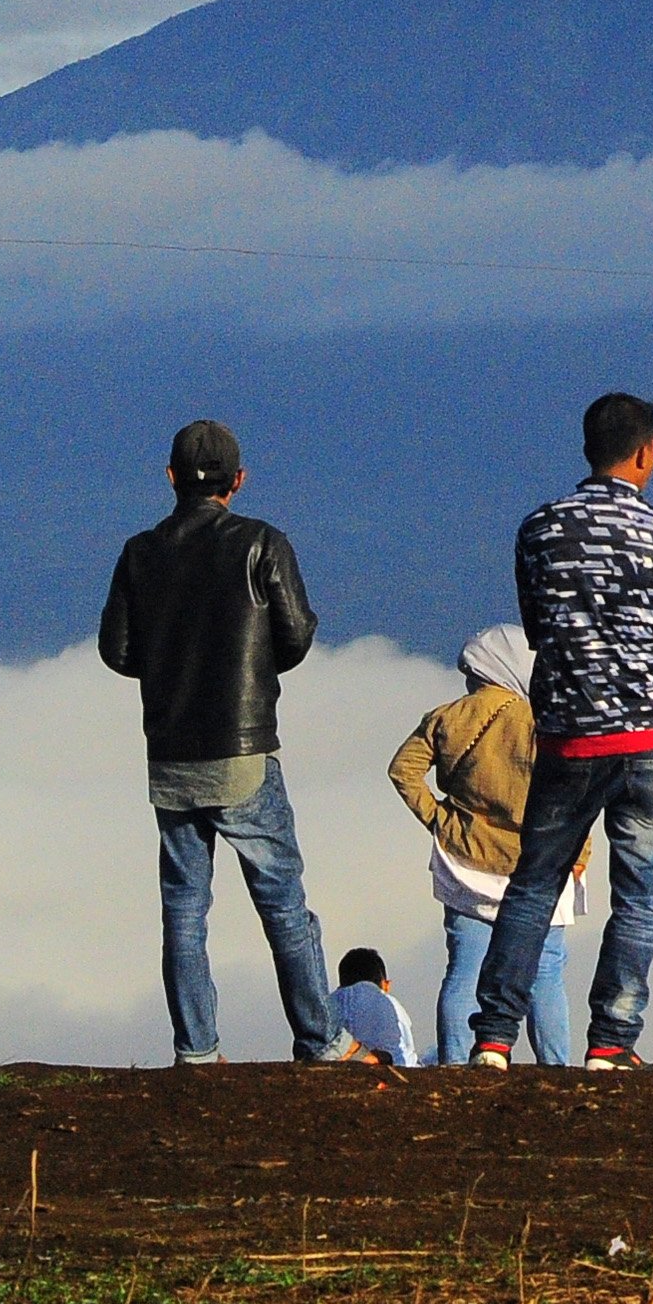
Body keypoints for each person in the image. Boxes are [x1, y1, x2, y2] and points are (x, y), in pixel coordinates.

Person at [99, 420, 372, 1066]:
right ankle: (322, 1040)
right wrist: (251, 669)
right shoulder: (260, 544)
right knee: (283, 905)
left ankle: (197, 1049)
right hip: (244, 749)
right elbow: (297, 633)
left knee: (184, 912)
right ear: (239, 481)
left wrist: (168, 671)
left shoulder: (140, 554)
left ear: (170, 478)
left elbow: (118, 649)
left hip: (169, 756)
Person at [466, 392, 653, 1073]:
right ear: (646, 452)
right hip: (652, 739)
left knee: (535, 884)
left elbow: (537, 631)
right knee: (639, 896)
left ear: (587, 449)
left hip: (572, 734)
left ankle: (493, 1038)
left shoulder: (539, 531)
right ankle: (610, 1041)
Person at [389, 622, 582, 1066]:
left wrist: (439, 819)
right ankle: (557, 1067)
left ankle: (457, 1065)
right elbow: (573, 791)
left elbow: (402, 771)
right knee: (545, 972)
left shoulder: (446, 717)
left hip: (465, 861)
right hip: (539, 861)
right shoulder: (541, 722)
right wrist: (579, 851)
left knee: (464, 972)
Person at [332, 948, 420, 1068]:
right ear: (385, 985)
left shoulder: (330, 1002)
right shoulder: (389, 1002)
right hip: (391, 1069)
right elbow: (407, 1056)